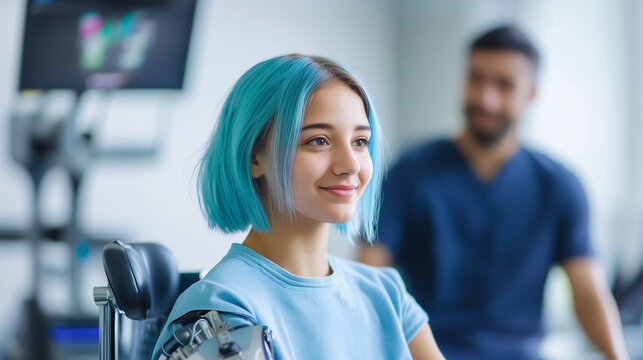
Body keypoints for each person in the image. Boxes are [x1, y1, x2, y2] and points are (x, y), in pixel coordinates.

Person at [357, 25, 630, 360]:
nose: (485, 97)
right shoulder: (410, 174)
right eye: (476, 79)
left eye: (504, 85)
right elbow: (367, 277)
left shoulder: (559, 186)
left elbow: (589, 293)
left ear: (530, 93)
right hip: (428, 350)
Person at [152, 54, 445, 360]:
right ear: (255, 157)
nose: (350, 165)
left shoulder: (387, 295)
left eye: (360, 141)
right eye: (319, 141)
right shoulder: (220, 309)